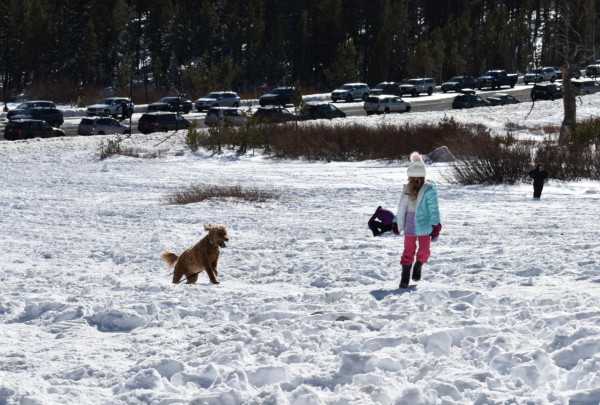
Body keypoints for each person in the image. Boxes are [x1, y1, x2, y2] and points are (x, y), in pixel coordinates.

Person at [392, 152, 441, 289]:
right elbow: (401, 208)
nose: (413, 181)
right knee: (408, 251)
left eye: (415, 178)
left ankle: (418, 264)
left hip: (424, 225)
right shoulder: (406, 189)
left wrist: (436, 224)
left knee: (424, 251)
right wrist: (397, 221)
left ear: (422, 177)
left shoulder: (429, 190)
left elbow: (434, 209)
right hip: (409, 226)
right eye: (411, 178)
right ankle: (405, 277)